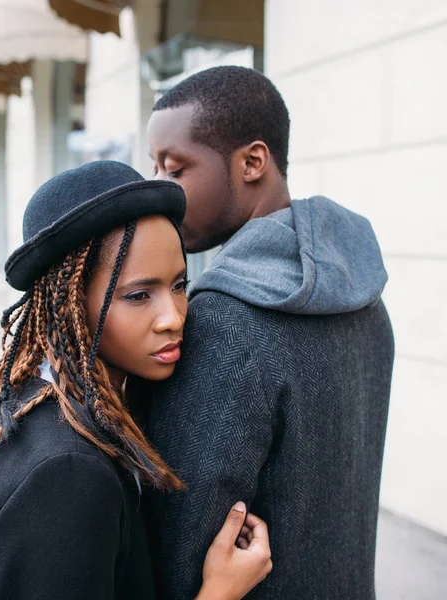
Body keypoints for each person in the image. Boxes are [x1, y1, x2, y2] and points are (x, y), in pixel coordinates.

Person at [0, 160, 272, 600]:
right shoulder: (66, 473)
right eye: (138, 295)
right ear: (71, 304)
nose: (173, 317)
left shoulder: (34, 400)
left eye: (178, 285)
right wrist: (220, 593)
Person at [144, 66, 394, 599]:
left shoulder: (223, 321)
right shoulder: (366, 298)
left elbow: (183, 545)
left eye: (175, 169)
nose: (161, 192)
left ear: (253, 162)